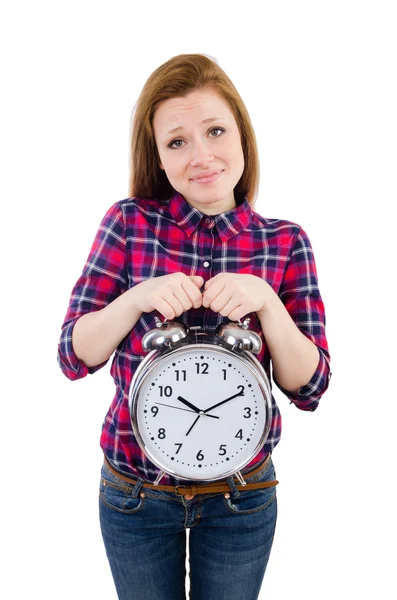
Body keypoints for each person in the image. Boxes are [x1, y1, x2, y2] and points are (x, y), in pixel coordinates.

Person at [57, 53, 331, 600]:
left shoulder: (284, 242)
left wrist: (268, 304)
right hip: (136, 490)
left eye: (215, 131)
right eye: (177, 142)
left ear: (242, 137)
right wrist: (136, 298)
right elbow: (72, 354)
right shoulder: (128, 224)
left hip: (241, 495)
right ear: (157, 156)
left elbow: (311, 386)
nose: (201, 156)